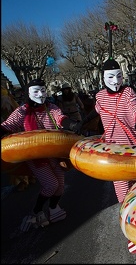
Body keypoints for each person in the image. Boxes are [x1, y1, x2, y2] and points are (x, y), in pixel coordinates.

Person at [80, 58, 136, 254]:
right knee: (123, 196)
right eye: (111, 76)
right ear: (103, 78)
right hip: (114, 152)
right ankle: (130, 233)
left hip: (135, 149)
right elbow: (96, 113)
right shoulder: (100, 96)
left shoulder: (128, 92)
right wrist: (80, 124)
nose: (115, 80)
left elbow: (133, 108)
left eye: (119, 75)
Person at [1, 79, 82, 231]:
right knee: (51, 185)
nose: (40, 94)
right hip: (35, 156)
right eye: (36, 91)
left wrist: (72, 125)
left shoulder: (51, 107)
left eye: (43, 91)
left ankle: (53, 208)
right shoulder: (22, 111)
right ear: (29, 93)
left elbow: (60, 118)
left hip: (54, 154)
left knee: (60, 185)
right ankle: (35, 213)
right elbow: (7, 125)